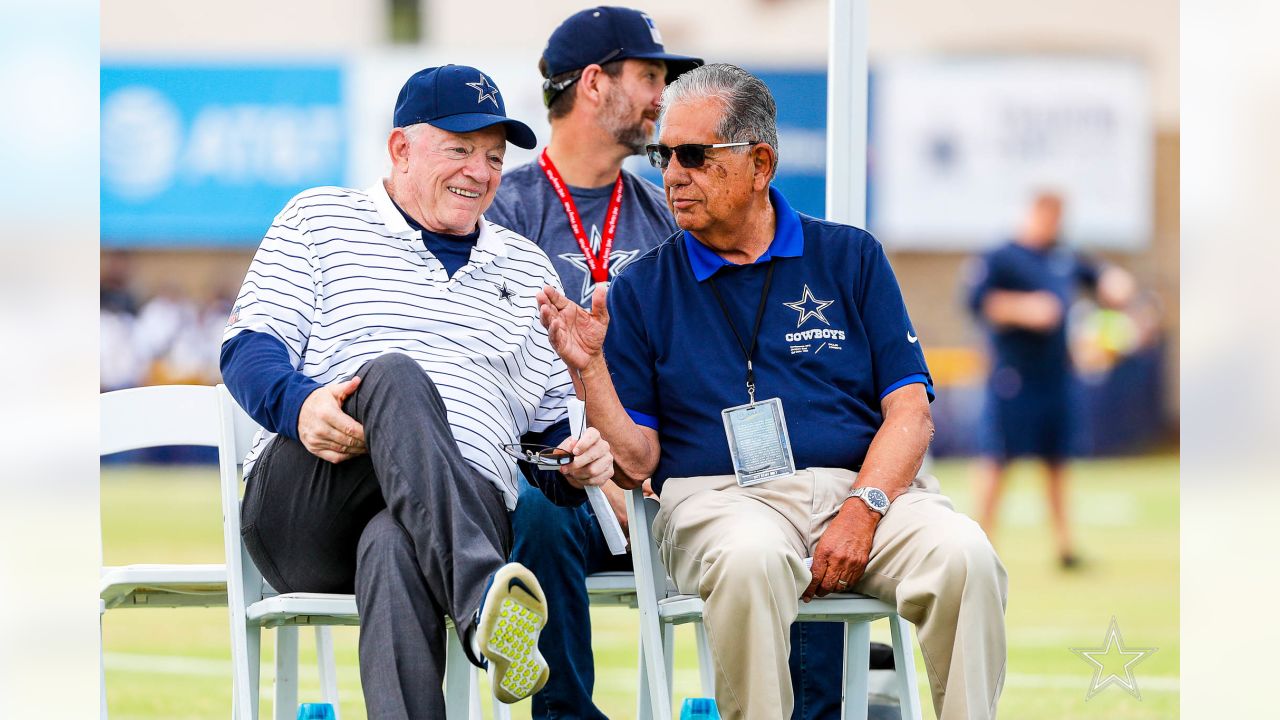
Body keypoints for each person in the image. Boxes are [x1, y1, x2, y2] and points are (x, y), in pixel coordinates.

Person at [537, 63, 1008, 720]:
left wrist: (862, 509)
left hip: (864, 492)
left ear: (760, 163)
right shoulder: (643, 287)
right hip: (723, 502)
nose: (673, 174)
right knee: (751, 558)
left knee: (967, 556)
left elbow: (910, 413)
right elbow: (636, 463)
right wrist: (589, 371)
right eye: (663, 154)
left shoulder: (851, 256)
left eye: (695, 156)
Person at [219, 64, 615, 718]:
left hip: (458, 504)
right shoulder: (319, 218)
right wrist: (300, 404)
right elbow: (248, 347)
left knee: (396, 544)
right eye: (458, 149)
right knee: (399, 373)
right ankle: (485, 595)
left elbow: (543, 442)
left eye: (494, 156)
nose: (480, 171)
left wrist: (575, 465)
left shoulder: (529, 268)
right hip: (315, 494)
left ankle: (480, 597)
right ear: (400, 149)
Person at [482, 7, 702, 718]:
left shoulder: (669, 213)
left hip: (666, 475)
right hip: (555, 472)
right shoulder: (500, 212)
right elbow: (488, 376)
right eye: (647, 76)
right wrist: (587, 463)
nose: (660, 96)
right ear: (593, 84)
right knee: (543, 512)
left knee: (783, 505)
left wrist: (644, 470)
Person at [965, 192, 1136, 568]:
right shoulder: (1002, 257)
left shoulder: (1065, 256)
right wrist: (1025, 309)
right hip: (1014, 377)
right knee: (998, 458)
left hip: (1057, 376)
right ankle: (979, 544)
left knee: (1058, 461)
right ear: (1030, 214)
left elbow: (1102, 276)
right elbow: (976, 302)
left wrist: (1114, 281)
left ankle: (1065, 548)